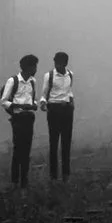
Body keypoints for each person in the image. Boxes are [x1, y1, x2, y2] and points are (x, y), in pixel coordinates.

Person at [0, 54, 41, 189]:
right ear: (28, 67)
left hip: (29, 118)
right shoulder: (13, 81)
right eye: (34, 66)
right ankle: (15, 180)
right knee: (18, 149)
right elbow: (4, 101)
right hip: (18, 119)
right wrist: (19, 107)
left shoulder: (33, 81)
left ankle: (24, 180)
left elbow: (32, 98)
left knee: (26, 150)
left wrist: (33, 105)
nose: (36, 69)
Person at [42, 50, 76, 182]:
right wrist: (43, 103)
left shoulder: (70, 75)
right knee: (53, 142)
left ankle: (66, 174)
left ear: (65, 63)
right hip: (54, 109)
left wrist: (71, 101)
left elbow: (69, 91)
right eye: (56, 63)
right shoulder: (49, 76)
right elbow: (44, 93)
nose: (57, 65)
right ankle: (53, 175)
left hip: (67, 109)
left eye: (59, 63)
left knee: (66, 142)